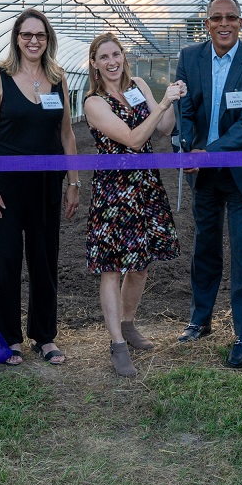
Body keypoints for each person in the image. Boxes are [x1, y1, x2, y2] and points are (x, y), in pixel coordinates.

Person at [0, 8, 80, 366]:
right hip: (5, 188)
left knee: (44, 260)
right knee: (4, 261)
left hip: (46, 186)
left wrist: (73, 182)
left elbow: (66, 134)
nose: (34, 41)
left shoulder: (58, 78)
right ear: (17, 38)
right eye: (27, 35)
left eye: (40, 35)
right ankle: (7, 339)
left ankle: (45, 337)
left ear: (48, 39)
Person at [174, 0, 242, 368]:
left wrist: (208, 153)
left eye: (231, 17)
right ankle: (200, 320)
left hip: (241, 174)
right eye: (216, 17)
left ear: (240, 23)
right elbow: (184, 109)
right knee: (205, 247)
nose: (224, 23)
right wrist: (186, 146)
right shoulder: (190, 58)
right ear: (207, 24)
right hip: (203, 174)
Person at [83, 32, 185, 377]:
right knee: (112, 267)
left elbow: (163, 128)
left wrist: (171, 101)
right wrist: (162, 104)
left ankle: (128, 324)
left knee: (140, 264)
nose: (112, 62)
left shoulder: (138, 84)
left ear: (123, 57)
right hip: (115, 192)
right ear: (95, 64)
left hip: (145, 186)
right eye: (104, 57)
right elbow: (133, 138)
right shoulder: (93, 103)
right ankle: (117, 344)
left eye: (116, 55)